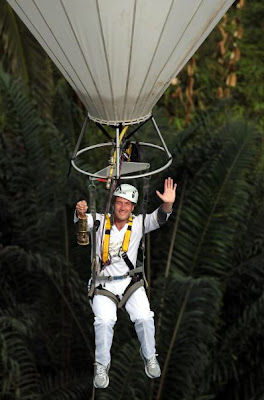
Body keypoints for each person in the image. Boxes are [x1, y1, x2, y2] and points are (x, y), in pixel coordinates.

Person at [75, 177, 177, 389]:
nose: (122, 207)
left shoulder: (139, 223)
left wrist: (168, 203)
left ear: (132, 207)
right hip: (103, 284)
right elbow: (83, 222)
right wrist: (80, 212)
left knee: (144, 317)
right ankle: (102, 365)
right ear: (114, 203)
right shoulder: (100, 221)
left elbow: (160, 216)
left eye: (127, 203)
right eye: (119, 202)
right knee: (104, 321)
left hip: (130, 283)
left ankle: (149, 355)